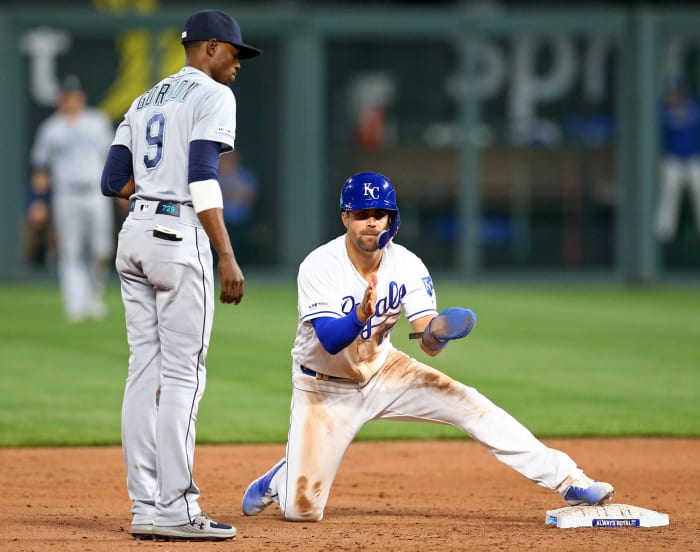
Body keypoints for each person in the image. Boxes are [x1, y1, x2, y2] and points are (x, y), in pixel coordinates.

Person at [241, 171, 615, 522]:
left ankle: (569, 480)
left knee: (472, 405)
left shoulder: (406, 265)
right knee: (302, 511)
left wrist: (439, 331)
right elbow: (329, 339)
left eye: (380, 214)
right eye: (362, 214)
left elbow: (428, 342)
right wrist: (358, 316)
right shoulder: (319, 265)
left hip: (384, 371)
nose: (371, 222)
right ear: (345, 219)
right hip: (323, 387)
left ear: (392, 220)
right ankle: (283, 477)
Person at [100, 9, 261, 541]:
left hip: (135, 236)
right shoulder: (213, 95)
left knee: (142, 372)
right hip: (179, 236)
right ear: (211, 47)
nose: (238, 64)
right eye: (235, 53)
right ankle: (176, 508)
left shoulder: (145, 98)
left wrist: (151, 198)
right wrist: (226, 253)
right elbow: (203, 177)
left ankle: (145, 506)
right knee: (182, 378)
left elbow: (113, 180)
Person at [29, 74, 115, 321]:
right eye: (66, 96)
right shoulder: (51, 129)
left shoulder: (97, 122)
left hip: (95, 191)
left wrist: (119, 191)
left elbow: (110, 159)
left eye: (74, 95)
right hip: (66, 193)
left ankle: (93, 295)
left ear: (81, 97)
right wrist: (38, 200)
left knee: (102, 249)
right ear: (60, 99)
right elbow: (42, 168)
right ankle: (75, 303)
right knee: (70, 250)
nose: (70, 100)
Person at [656, 77, 700, 242]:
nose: (673, 96)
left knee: (699, 190)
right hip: (672, 160)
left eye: (676, 93)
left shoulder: (695, 109)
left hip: (693, 158)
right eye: (671, 93)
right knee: (669, 192)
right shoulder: (662, 112)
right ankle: (664, 235)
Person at [219, 150, 259, 263]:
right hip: (221, 220)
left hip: (241, 222)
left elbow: (250, 197)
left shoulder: (245, 176)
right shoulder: (215, 175)